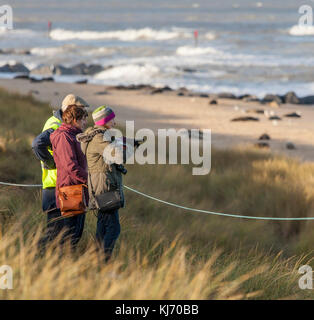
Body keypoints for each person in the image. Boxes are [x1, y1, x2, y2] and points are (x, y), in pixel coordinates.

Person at [32, 94, 89, 252]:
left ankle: (49, 261)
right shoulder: (57, 125)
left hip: (67, 186)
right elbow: (37, 144)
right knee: (57, 233)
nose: (84, 116)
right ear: (71, 110)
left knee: (67, 233)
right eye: (81, 111)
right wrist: (53, 164)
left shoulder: (66, 127)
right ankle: (36, 256)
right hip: (56, 186)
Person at [77, 106, 126, 262]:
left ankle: (95, 259)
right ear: (104, 121)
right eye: (112, 120)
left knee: (103, 226)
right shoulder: (99, 138)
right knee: (113, 228)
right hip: (104, 188)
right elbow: (117, 155)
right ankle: (103, 261)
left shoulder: (100, 136)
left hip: (102, 186)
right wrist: (126, 147)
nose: (115, 123)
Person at [50, 104, 89, 248]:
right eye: (83, 119)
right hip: (69, 190)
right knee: (70, 235)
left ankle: (66, 263)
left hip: (77, 189)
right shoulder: (64, 136)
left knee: (76, 233)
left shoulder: (74, 135)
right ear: (75, 119)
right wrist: (89, 180)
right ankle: (60, 264)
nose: (85, 122)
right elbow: (70, 166)